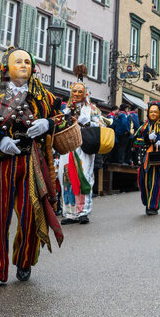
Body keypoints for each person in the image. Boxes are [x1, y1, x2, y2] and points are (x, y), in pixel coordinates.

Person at [0, 48, 64, 289]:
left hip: (31, 163)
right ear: (5, 67)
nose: (23, 65)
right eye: (17, 61)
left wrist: (47, 122)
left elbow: (64, 118)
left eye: (28, 61)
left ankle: (24, 261)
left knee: (31, 215)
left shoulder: (42, 96)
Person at [57, 81, 101, 225]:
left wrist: (87, 123)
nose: (76, 94)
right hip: (68, 147)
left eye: (79, 91)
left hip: (84, 146)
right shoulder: (66, 109)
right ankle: (70, 213)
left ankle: (83, 212)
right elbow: (59, 126)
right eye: (74, 91)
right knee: (66, 178)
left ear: (85, 94)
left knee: (84, 176)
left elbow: (102, 125)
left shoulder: (92, 109)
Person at [132, 101, 160, 215]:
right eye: (151, 111)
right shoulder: (143, 127)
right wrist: (147, 139)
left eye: (155, 111)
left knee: (154, 181)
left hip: (157, 158)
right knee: (142, 181)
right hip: (144, 158)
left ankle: (153, 206)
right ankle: (147, 202)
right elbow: (135, 141)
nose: (153, 114)